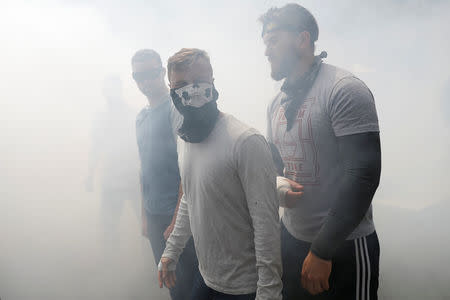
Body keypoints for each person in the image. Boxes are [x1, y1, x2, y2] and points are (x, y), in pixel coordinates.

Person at [260, 4, 382, 299]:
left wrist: (322, 250)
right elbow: (276, 165)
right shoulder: (276, 104)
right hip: (291, 238)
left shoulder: (344, 89)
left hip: (344, 247)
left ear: (302, 39)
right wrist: (278, 186)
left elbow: (363, 175)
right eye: (264, 43)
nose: (266, 51)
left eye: (273, 40)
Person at [158, 48, 285, 300]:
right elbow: (190, 196)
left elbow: (266, 224)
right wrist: (171, 250)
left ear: (213, 83)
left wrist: (269, 292)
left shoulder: (245, 141)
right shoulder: (184, 138)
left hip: (245, 287)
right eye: (182, 84)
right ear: (171, 88)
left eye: (199, 82)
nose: (191, 91)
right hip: (205, 277)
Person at [131, 49, 198, 300]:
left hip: (176, 213)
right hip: (154, 212)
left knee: (187, 281)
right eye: (139, 77)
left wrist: (177, 222)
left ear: (162, 73)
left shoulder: (174, 109)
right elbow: (143, 169)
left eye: (151, 74)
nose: (146, 82)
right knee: (170, 281)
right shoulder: (140, 117)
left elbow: (187, 168)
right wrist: (144, 215)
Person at [86, 75, 139, 246]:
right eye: (107, 90)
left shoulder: (133, 115)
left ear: (119, 91)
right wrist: (90, 175)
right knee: (109, 224)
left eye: (113, 90)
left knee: (144, 220)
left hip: (133, 177)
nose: (110, 94)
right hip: (111, 178)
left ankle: (154, 261)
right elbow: (95, 147)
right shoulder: (101, 118)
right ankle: (110, 261)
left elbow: (143, 147)